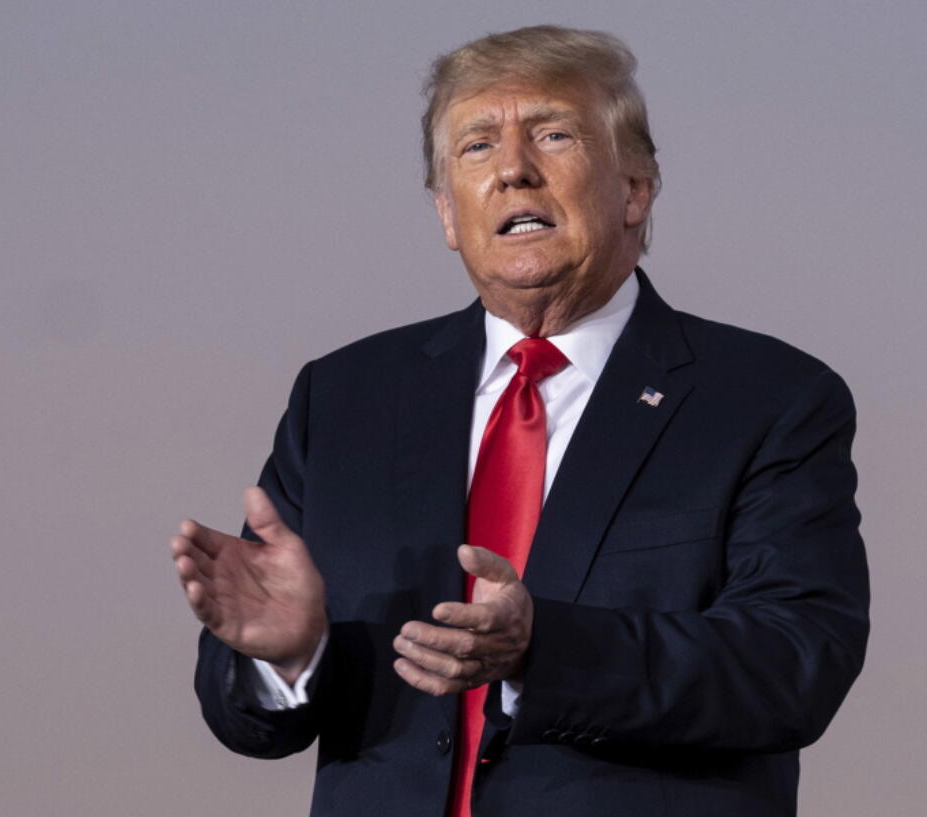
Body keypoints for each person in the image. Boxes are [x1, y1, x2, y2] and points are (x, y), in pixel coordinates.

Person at [171, 25, 869, 817]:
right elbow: (243, 719)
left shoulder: (768, 397)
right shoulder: (343, 398)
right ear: (446, 213)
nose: (512, 169)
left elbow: (796, 663)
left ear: (636, 187)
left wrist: (544, 650)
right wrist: (288, 657)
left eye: (553, 134)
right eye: (476, 146)